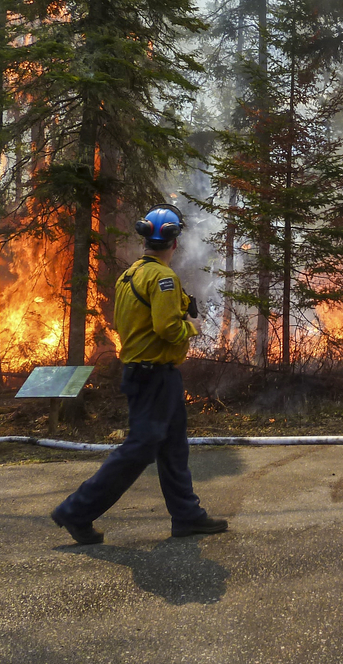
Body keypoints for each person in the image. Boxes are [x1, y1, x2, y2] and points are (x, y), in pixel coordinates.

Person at [51, 204, 227, 545]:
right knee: (140, 449)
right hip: (154, 376)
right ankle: (77, 510)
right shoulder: (162, 278)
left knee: (174, 448)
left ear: (146, 239)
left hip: (150, 374)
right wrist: (191, 327)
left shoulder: (128, 275)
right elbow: (165, 329)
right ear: (174, 243)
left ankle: (187, 516)